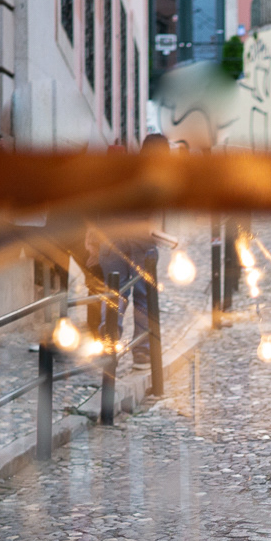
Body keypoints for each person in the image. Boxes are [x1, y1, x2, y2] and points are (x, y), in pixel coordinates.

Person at [85, 133, 170, 368]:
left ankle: (107, 347)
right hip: (141, 240)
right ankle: (142, 354)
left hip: (112, 239)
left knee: (114, 294)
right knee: (143, 296)